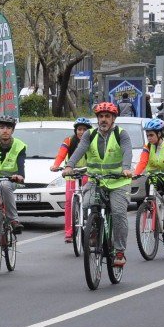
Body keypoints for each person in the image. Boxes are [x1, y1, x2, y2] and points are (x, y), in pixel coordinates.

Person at [63, 102, 133, 268]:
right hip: (96, 180)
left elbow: (127, 151)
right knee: (87, 203)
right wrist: (69, 166)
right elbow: (80, 149)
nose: (103, 120)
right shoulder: (89, 134)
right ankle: (93, 231)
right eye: (101, 116)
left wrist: (126, 168)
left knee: (118, 213)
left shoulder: (121, 134)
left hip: (118, 182)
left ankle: (120, 250)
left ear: (113, 118)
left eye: (107, 116)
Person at [133, 118, 164, 248]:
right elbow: (143, 162)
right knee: (148, 188)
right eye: (147, 135)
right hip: (156, 176)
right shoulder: (148, 147)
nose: (149, 138)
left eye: (151, 135)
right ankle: (150, 208)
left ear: (159, 134)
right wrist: (136, 173)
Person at [51, 117, 91, 243]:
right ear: (75, 130)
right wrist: (56, 165)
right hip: (71, 174)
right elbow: (61, 154)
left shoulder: (92, 140)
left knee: (90, 201)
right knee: (69, 201)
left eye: (84, 130)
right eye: (79, 129)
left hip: (88, 174)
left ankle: (92, 228)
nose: (81, 132)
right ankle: (69, 232)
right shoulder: (68, 140)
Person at [0, 115, 26, 234]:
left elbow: (20, 163)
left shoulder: (19, 145)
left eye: (8, 127)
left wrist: (20, 176)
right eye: (2, 127)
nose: (5, 130)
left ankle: (13, 220)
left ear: (12, 130)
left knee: (4, 185)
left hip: (11, 180)